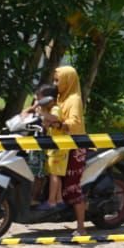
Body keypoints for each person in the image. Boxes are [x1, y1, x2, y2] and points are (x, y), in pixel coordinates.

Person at [44, 65, 87, 231]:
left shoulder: (74, 99)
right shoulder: (60, 98)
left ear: (68, 81)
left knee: (72, 185)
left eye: (58, 80)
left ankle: (81, 227)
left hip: (75, 148)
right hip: (60, 146)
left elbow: (75, 123)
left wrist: (59, 124)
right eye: (54, 80)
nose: (55, 84)